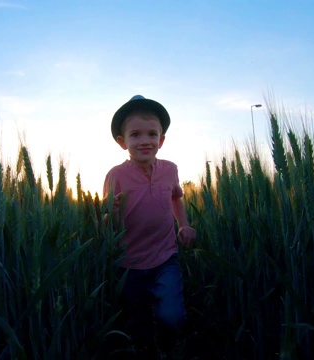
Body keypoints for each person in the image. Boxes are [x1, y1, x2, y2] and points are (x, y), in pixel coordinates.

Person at [103, 95, 196, 358]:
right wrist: (112, 213)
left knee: (173, 316)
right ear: (123, 142)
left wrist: (184, 225)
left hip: (166, 256)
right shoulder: (115, 176)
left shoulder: (170, 169)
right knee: (138, 323)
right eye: (135, 135)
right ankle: (147, 349)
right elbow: (108, 225)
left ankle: (169, 346)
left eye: (152, 134)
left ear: (162, 140)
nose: (145, 140)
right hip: (129, 264)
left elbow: (176, 197)